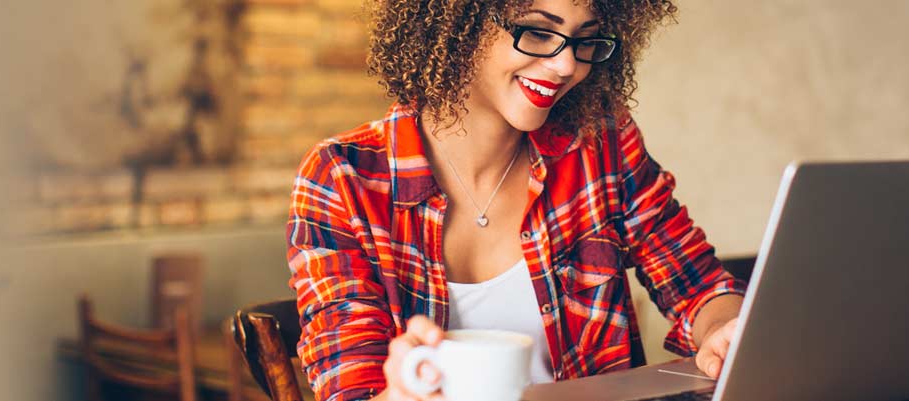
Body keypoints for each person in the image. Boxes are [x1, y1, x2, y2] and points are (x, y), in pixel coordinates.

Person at [285, 1, 746, 400]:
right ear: (458, 21)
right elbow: (353, 389)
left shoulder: (599, 143)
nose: (567, 66)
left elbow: (699, 286)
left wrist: (724, 330)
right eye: (540, 32)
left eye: (584, 39)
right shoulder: (343, 178)